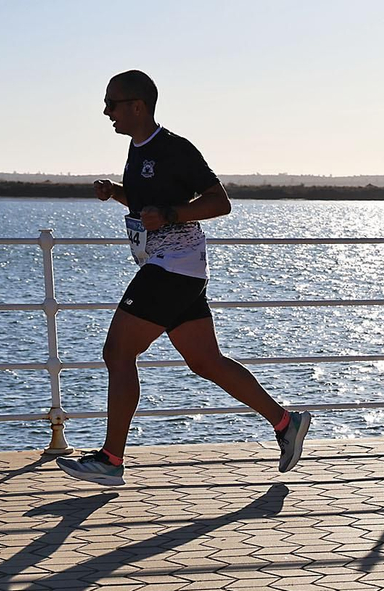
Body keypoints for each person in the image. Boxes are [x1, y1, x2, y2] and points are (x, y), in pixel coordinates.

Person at [57, 70, 310, 487]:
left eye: (111, 103)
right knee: (205, 361)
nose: (106, 112)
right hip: (178, 269)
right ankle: (286, 423)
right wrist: (117, 192)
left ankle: (111, 459)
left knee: (118, 352)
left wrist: (172, 215)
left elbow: (220, 202)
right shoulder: (137, 150)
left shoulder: (175, 148)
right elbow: (149, 203)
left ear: (138, 106)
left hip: (173, 267)